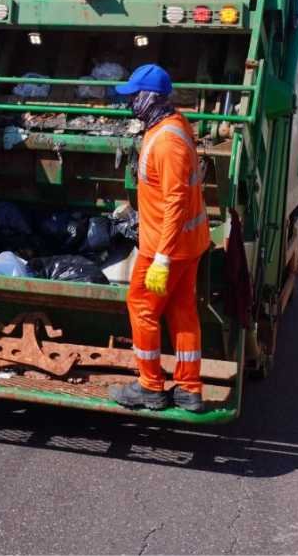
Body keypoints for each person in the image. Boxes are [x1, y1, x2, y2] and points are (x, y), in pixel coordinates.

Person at [109, 64, 212, 413]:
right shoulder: (172, 125)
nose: (130, 103)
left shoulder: (167, 141)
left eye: (134, 96)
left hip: (165, 249)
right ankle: (188, 389)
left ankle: (150, 386)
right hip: (186, 244)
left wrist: (162, 259)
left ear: (150, 97)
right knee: (182, 312)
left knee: (141, 307)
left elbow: (175, 202)